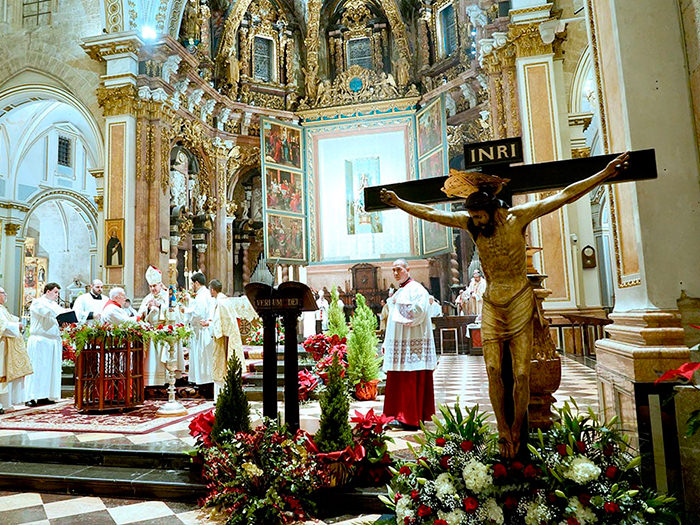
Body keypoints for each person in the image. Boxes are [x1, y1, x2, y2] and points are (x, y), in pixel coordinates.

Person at [380, 151, 630, 457]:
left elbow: (564, 195)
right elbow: (431, 214)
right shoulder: (472, 225)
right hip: (493, 303)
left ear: (491, 208)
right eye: (472, 217)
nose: (476, 222)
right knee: (493, 369)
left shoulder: (516, 219)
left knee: (522, 373)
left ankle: (517, 429)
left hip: (519, 300)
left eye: (480, 216)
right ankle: (502, 429)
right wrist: (399, 202)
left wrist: (604, 174)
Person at [381, 259, 437, 430]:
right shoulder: (401, 291)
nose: (396, 273)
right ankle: (399, 415)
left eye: (399, 269)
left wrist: (396, 305)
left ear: (408, 269)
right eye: (393, 270)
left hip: (411, 344)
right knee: (399, 379)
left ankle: (410, 417)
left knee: (410, 379)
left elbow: (419, 311)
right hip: (399, 343)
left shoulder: (417, 289)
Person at [138, 266, 185, 386]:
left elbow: (175, 313)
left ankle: (166, 381)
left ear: (160, 284)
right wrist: (147, 309)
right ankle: (152, 382)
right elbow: (139, 316)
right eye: (151, 286)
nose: (153, 289)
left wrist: (160, 306)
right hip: (151, 333)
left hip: (164, 332)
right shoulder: (147, 298)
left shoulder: (168, 296)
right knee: (152, 361)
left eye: (155, 286)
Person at [25, 283, 70, 406]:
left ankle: (44, 395)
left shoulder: (54, 305)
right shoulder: (37, 302)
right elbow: (47, 313)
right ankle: (31, 396)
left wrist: (63, 322)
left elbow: (56, 317)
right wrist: (61, 314)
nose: (57, 295)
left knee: (50, 370)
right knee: (37, 369)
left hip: (52, 340)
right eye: (55, 292)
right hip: (40, 339)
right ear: (48, 291)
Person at [208, 279, 244, 400]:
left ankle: (221, 397)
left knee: (222, 367)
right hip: (229, 336)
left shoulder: (221, 303)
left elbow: (219, 327)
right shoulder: (224, 300)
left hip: (224, 340)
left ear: (212, 290)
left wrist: (208, 325)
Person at [0, 287, 32, 412]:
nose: (5, 295)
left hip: (5, 345)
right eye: (3, 293)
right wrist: (16, 326)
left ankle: (5, 403)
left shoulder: (2, 308)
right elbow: (2, 325)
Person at [183, 272, 214, 385]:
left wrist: (185, 311)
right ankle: (202, 379)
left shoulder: (201, 295)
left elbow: (198, 313)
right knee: (202, 356)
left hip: (200, 330)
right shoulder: (205, 293)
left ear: (196, 283)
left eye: (192, 284)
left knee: (201, 357)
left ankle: (203, 380)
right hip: (201, 329)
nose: (191, 286)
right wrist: (190, 301)